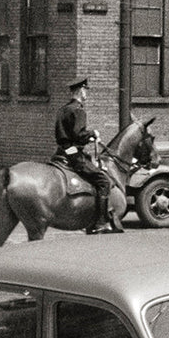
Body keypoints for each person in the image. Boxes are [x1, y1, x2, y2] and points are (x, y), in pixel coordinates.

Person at [54, 77, 115, 234]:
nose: (87, 93)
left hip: (62, 151)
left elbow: (61, 135)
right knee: (103, 181)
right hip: (73, 152)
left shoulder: (63, 109)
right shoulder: (78, 110)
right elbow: (79, 135)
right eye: (86, 90)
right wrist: (92, 134)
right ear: (80, 90)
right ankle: (101, 222)